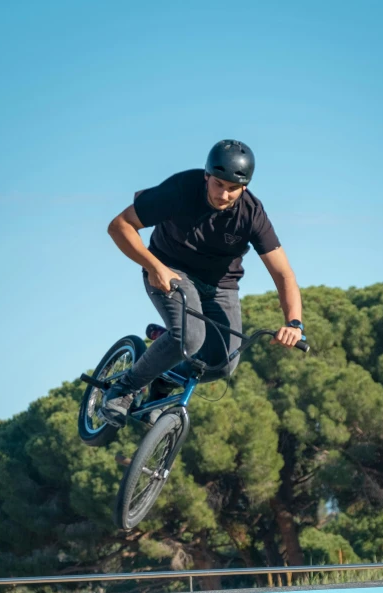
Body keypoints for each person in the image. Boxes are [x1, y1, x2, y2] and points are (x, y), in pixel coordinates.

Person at [102, 139, 304, 426]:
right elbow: (119, 226)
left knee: (222, 364)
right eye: (218, 184)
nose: (223, 194)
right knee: (190, 337)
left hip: (221, 286)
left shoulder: (252, 215)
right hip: (169, 269)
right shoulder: (179, 190)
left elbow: (283, 274)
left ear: (244, 187)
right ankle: (124, 387)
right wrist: (154, 267)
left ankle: (163, 377)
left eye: (232, 188)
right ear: (207, 176)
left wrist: (294, 323)